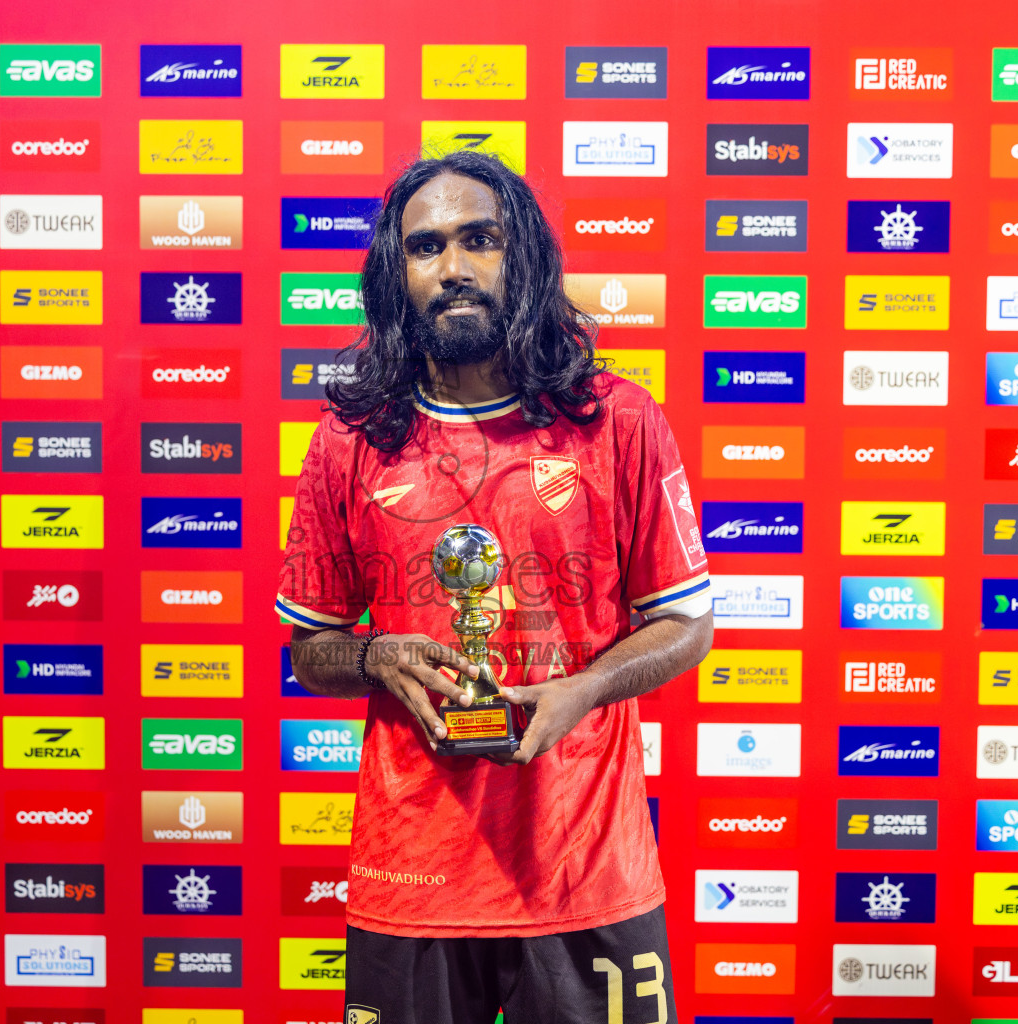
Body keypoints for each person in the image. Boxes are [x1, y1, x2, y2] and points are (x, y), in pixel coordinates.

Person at [276, 149, 714, 1024]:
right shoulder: (349, 440)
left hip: (586, 869)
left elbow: (687, 623)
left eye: (481, 240)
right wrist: (375, 654)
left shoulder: (618, 419)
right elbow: (310, 650)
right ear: (395, 274)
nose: (455, 268)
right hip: (414, 876)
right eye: (426, 247)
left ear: (524, 258)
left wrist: (581, 689)